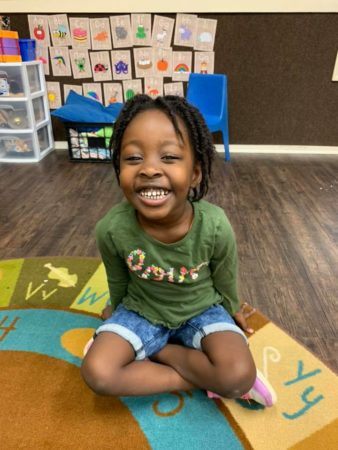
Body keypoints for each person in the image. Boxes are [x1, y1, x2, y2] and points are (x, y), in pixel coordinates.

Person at [81, 94, 277, 406]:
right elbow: (118, 279)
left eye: (169, 157)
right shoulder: (111, 228)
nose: (149, 169)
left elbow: (225, 275)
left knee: (239, 375)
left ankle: (160, 353)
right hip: (140, 311)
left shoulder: (214, 225)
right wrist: (115, 311)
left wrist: (232, 309)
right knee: (98, 372)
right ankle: (197, 376)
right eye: (133, 158)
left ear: (195, 172)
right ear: (119, 170)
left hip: (202, 310)